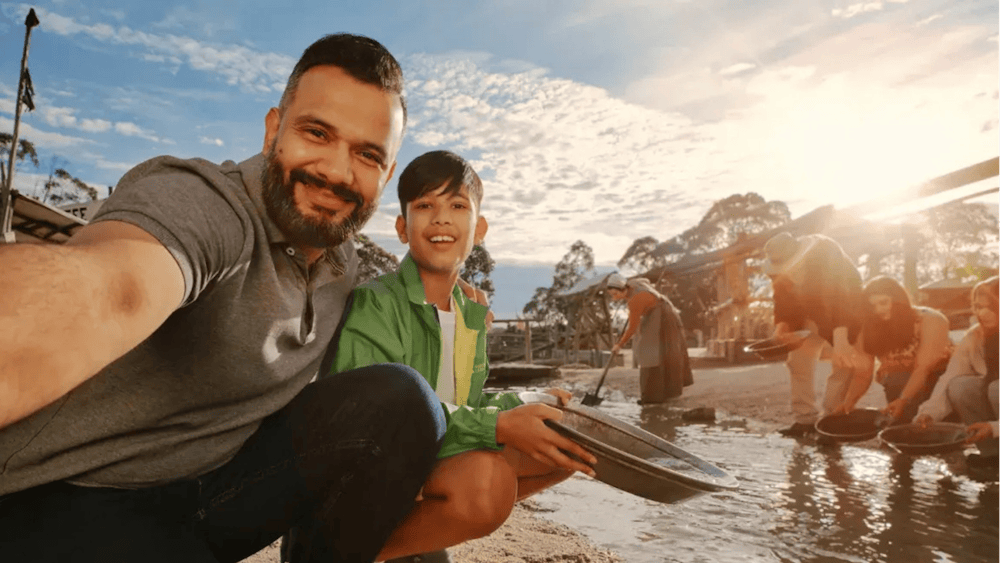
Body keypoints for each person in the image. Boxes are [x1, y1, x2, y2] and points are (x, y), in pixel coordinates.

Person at [0, 34, 451, 563]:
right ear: (272, 130)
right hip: (64, 500)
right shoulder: (206, 206)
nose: (335, 170)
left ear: (386, 173)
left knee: (403, 403)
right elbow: (108, 288)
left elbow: (392, 313)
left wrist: (444, 278)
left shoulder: (340, 258)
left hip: (205, 497)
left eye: (367, 154)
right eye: (316, 132)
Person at [301, 150, 597, 562]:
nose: (441, 218)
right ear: (403, 228)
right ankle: (341, 552)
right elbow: (370, 424)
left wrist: (531, 405)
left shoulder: (470, 315)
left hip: (420, 472)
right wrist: (499, 425)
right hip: (363, 481)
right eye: (425, 206)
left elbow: (466, 407)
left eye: (458, 205)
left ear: (479, 229)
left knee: (564, 445)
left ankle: (415, 534)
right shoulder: (377, 303)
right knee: (485, 483)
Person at [762, 232, 866, 437]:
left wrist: (841, 337)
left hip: (847, 309)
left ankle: (831, 421)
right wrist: (782, 325)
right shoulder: (776, 266)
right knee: (797, 362)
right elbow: (782, 299)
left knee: (843, 363)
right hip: (808, 314)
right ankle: (805, 420)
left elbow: (839, 296)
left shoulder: (825, 253)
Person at [831, 276, 952, 424]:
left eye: (884, 302)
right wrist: (849, 402)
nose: (879, 310)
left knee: (902, 384)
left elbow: (923, 368)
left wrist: (903, 399)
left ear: (898, 300)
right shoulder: (868, 327)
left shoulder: (930, 319)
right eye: (872, 306)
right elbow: (863, 372)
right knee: (895, 379)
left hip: (937, 377)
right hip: (898, 380)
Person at [915, 276, 999, 467]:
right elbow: (950, 377)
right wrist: (929, 413)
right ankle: (992, 456)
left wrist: (994, 428)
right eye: (977, 306)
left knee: (996, 388)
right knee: (960, 386)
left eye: (991, 307)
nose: (982, 313)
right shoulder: (975, 335)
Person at [607, 273, 693, 403]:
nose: (614, 298)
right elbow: (645, 281)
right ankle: (660, 395)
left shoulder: (635, 300)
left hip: (664, 318)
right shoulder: (633, 286)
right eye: (612, 295)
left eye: (615, 294)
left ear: (623, 289)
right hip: (659, 313)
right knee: (658, 354)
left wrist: (619, 345)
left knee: (652, 354)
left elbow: (632, 327)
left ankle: (654, 397)